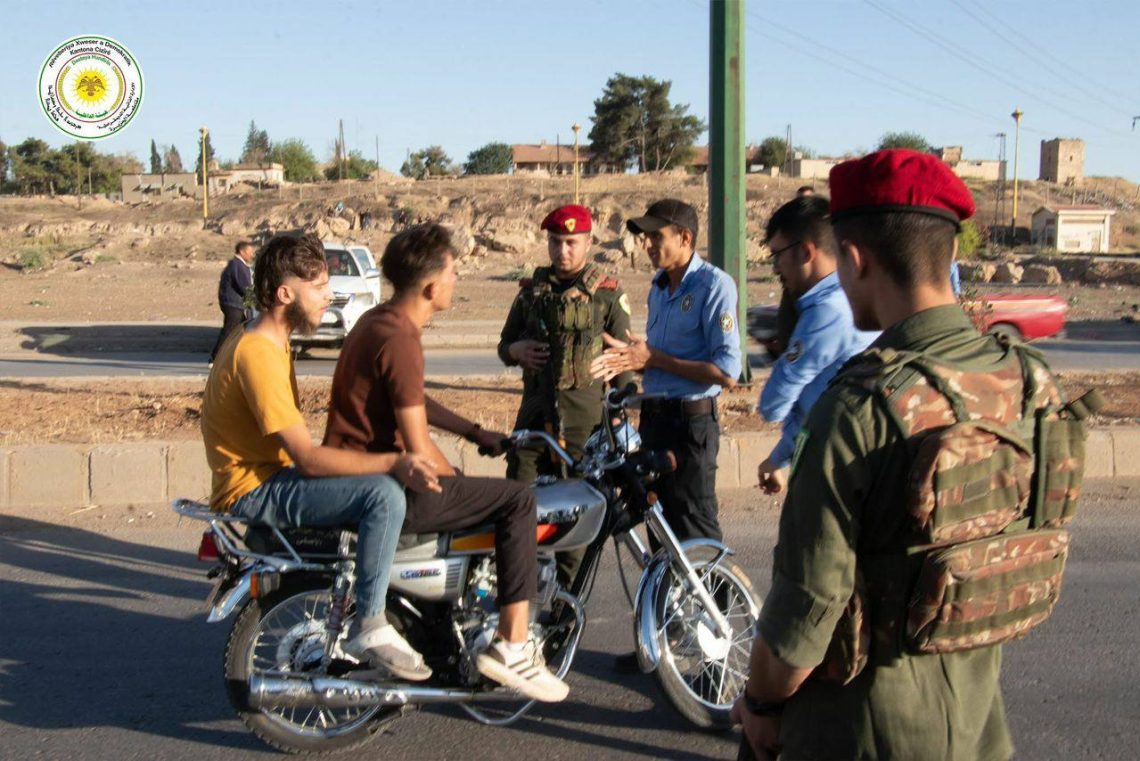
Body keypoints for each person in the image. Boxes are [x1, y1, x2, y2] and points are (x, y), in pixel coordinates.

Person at [732, 149, 1031, 760]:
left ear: (855, 258)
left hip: (860, 728)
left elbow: (807, 611)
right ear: (951, 254)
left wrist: (761, 705)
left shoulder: (857, 409)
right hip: (977, 724)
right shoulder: (1024, 380)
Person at [323, 223, 570, 703]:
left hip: (365, 475)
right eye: (454, 272)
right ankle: (513, 645)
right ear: (432, 286)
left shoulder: (379, 321)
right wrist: (450, 476)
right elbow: (418, 447)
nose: (457, 280)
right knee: (518, 499)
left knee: (477, 490)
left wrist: (474, 433)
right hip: (389, 485)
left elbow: (411, 398)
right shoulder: (401, 340)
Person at [201, 232, 439, 682]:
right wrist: (392, 462)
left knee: (372, 475)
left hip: (265, 475)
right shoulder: (258, 354)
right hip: (255, 489)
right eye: (319, 286)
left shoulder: (265, 338)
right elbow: (308, 459)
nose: (329, 295)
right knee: (384, 496)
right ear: (284, 294)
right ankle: (369, 622)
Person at [590, 199, 742, 544]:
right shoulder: (659, 285)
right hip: (655, 423)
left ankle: (717, 600)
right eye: (645, 237)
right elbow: (658, 354)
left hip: (691, 428)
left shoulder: (714, 285)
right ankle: (664, 601)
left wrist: (654, 359)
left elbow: (727, 372)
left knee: (695, 533)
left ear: (685, 238)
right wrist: (634, 354)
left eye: (656, 237)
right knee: (661, 534)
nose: (647, 245)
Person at [497, 203, 633, 585]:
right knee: (518, 504)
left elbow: (622, 365)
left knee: (578, 517)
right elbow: (504, 344)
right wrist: (515, 352)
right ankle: (520, 597)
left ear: (588, 242)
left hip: (583, 424)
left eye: (572, 242)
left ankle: (564, 610)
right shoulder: (531, 292)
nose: (563, 251)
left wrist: (621, 419)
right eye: (556, 242)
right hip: (534, 421)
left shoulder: (606, 294)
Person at [755, 196, 877, 495]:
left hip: (832, 465)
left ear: (805, 251)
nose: (775, 268)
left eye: (777, 255)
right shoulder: (851, 297)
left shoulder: (828, 311)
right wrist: (778, 457)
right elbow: (816, 402)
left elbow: (774, 405)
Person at [208, 240, 255, 364]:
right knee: (229, 331)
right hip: (233, 304)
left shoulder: (240, 265)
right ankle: (215, 358)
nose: (252, 255)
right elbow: (245, 287)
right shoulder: (237, 265)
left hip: (236, 304)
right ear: (242, 251)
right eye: (250, 252)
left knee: (240, 332)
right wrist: (256, 300)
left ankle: (234, 358)